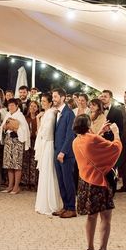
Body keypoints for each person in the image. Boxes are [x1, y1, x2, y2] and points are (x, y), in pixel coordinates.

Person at [72, 114, 122, 250]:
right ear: (88, 125)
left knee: (90, 217)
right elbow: (115, 148)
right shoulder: (93, 140)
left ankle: (89, 249)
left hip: (84, 182)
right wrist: (116, 133)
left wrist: (98, 132)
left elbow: (90, 142)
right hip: (99, 182)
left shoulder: (76, 141)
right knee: (106, 217)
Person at [34, 93, 63, 215]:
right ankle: (43, 201)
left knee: (48, 172)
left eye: (44, 101)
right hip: (45, 144)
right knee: (44, 173)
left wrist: (39, 122)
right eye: (42, 101)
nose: (42, 103)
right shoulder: (47, 113)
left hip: (48, 144)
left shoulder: (51, 114)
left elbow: (44, 132)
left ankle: (51, 203)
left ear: (50, 102)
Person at [52, 88, 76, 217]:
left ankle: (72, 208)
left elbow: (70, 135)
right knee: (61, 181)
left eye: (55, 97)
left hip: (65, 154)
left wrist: (63, 152)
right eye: (53, 97)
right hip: (57, 151)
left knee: (68, 181)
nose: (53, 99)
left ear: (62, 98)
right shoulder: (57, 113)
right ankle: (65, 206)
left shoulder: (69, 113)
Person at [0, 98, 30, 194]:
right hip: (9, 141)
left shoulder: (20, 116)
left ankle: (16, 187)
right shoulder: (7, 115)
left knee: (16, 165)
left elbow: (25, 130)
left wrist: (16, 130)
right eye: (9, 105)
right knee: (9, 164)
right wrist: (4, 128)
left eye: (13, 105)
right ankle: (10, 186)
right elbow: (1, 128)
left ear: (17, 106)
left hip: (17, 141)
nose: (10, 107)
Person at [22, 100, 40, 190]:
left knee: (34, 161)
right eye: (31, 106)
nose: (32, 108)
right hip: (27, 141)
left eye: (34, 106)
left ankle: (34, 182)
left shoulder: (39, 118)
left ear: (37, 108)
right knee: (26, 161)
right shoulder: (25, 118)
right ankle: (26, 182)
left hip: (36, 141)